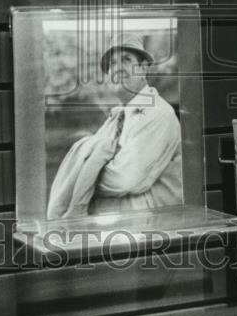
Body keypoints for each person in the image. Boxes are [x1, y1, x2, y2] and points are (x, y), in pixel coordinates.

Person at [46, 35, 182, 220]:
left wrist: (86, 174)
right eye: (112, 63)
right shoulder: (117, 117)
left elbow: (123, 181)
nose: (117, 68)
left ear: (143, 68)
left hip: (151, 232)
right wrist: (90, 164)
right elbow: (94, 163)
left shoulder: (157, 113)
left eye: (126, 60)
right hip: (119, 228)